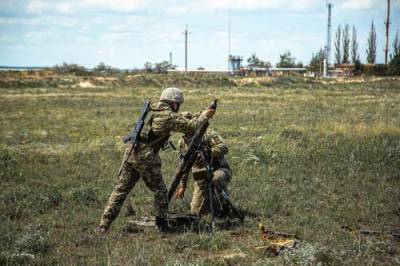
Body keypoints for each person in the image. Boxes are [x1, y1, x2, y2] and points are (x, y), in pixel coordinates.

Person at [96, 88, 215, 233]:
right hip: (145, 157)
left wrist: (200, 113)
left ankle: (103, 225)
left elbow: (181, 116)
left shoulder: (153, 109)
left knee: (120, 190)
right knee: (160, 191)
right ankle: (161, 224)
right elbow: (192, 127)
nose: (179, 107)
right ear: (172, 103)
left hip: (131, 153)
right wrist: (204, 117)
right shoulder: (168, 117)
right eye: (178, 104)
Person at [175, 112, 232, 217]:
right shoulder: (182, 143)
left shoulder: (207, 134)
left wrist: (208, 152)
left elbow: (224, 147)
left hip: (220, 170)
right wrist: (182, 186)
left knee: (215, 180)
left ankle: (224, 204)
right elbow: (184, 166)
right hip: (201, 177)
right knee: (195, 212)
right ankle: (212, 206)